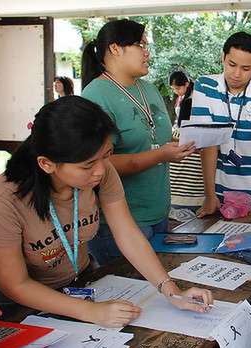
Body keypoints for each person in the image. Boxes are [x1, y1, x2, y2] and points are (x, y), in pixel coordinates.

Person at [0, 97, 213, 328]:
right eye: (87, 165)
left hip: (81, 284)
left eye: (107, 155)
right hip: (20, 306)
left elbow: (127, 234)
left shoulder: (101, 172)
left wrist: (170, 290)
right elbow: (15, 284)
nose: (100, 170)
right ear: (47, 164)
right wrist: (89, 311)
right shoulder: (6, 199)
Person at [80, 19, 195, 265]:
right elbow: (97, 166)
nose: (147, 52)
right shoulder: (95, 96)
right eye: (140, 44)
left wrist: (179, 144)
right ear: (115, 49)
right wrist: (161, 155)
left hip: (160, 213)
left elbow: (153, 138)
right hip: (121, 222)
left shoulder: (149, 89)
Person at [189, 32, 251, 222]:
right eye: (231, 64)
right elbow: (208, 144)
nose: (236, 74)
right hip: (219, 198)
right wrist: (210, 196)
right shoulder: (205, 86)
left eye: (246, 68)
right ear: (223, 57)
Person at [169, 70, 205, 210]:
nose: (176, 91)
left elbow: (182, 126)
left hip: (187, 139)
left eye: (178, 88)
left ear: (186, 84)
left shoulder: (191, 101)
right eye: (173, 89)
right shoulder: (185, 98)